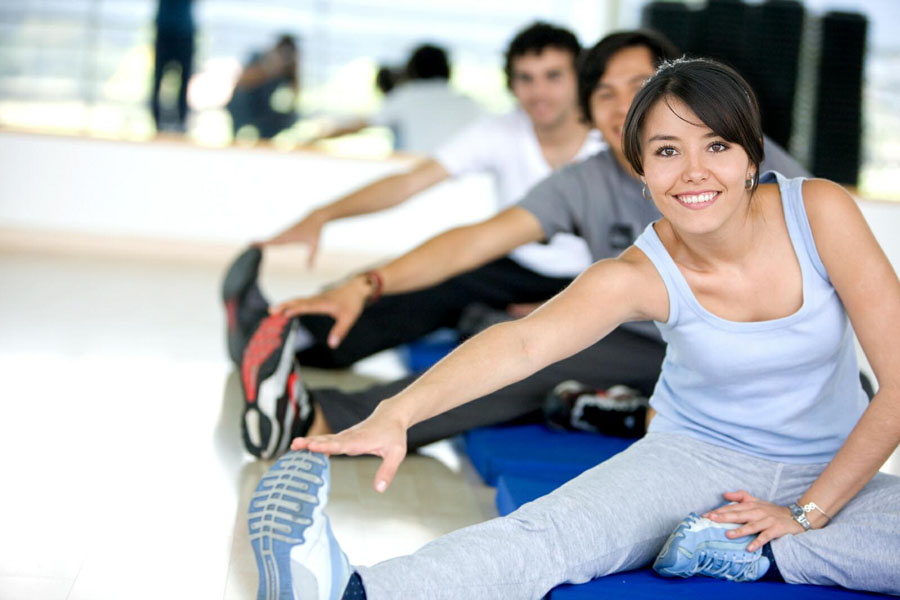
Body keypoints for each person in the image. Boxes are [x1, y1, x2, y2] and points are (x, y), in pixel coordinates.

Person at [247, 57, 900, 600]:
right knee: (553, 535)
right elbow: (522, 343)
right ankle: (350, 590)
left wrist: (802, 516)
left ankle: (751, 551)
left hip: (837, 464)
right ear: (641, 170)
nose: (695, 171)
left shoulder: (819, 212)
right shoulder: (639, 273)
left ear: (753, 156)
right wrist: (398, 412)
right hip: (695, 458)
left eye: (717, 145)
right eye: (667, 151)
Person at [231, 30, 808, 459]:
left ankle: (622, 409)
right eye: (602, 93)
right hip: (644, 340)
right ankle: (319, 412)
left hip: (751, 347)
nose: (619, 105)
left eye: (639, 86)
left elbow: (822, 250)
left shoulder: (740, 151)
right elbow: (475, 241)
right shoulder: (584, 180)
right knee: (523, 348)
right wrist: (365, 284)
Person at [226, 22, 606, 453]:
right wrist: (324, 215)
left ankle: (350, 412)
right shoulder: (502, 131)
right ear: (511, 82)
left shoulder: (608, 142)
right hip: (511, 262)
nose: (539, 92)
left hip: (592, 279)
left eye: (554, 76)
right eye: (525, 78)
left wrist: (562, 305)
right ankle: (286, 337)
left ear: (580, 76)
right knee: (421, 282)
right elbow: (408, 184)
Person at [314, 44, 484, 154]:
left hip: (415, 176)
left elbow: (357, 125)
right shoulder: (470, 102)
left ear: (413, 70)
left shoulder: (407, 96)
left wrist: (310, 139)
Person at [226, 34, 300, 139]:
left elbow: (294, 95)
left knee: (291, 117)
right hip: (244, 105)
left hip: (263, 112)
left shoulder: (286, 70)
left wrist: (293, 72)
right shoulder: (259, 57)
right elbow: (242, 81)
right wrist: (268, 67)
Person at [150, 0, 195, 132]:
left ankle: (181, 122)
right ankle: (157, 123)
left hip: (183, 30)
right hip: (167, 29)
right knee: (158, 80)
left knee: (183, 82)